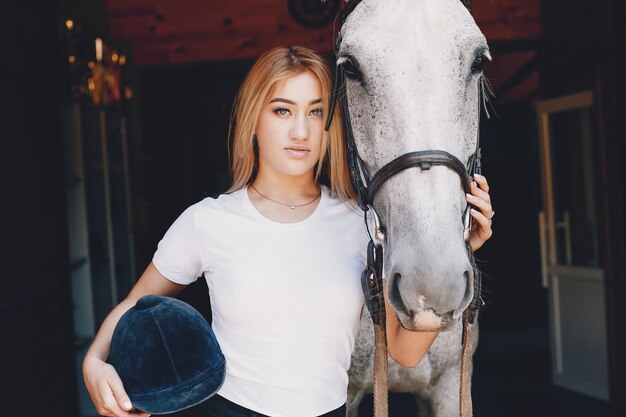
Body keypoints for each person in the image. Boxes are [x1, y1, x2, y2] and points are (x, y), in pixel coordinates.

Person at [82, 45, 494, 417]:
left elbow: (404, 351)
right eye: (282, 110)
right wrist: (94, 363)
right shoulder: (208, 222)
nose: (301, 131)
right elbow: (136, 305)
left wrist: (458, 253)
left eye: (315, 112)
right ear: (254, 121)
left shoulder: (361, 224)